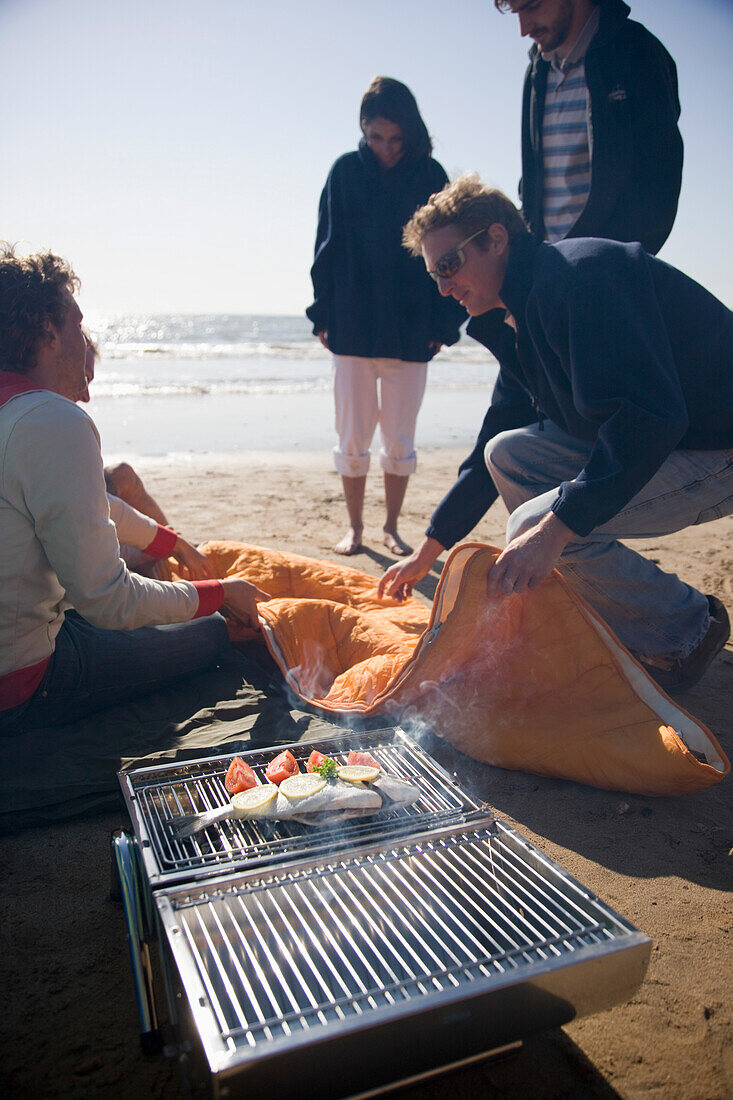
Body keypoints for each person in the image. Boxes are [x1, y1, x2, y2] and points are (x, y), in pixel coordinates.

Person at [379, 175, 733, 692]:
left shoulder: (581, 279)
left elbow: (650, 414)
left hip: (717, 444)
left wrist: (555, 530)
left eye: (449, 265)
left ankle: (689, 629)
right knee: (508, 453)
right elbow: (493, 439)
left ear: (495, 239)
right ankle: (623, 615)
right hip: (668, 436)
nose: (443, 287)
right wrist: (430, 548)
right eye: (434, 273)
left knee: (536, 522)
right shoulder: (520, 311)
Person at [0, 247, 270, 729]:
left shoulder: (15, 412)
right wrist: (218, 594)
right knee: (209, 633)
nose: (85, 341)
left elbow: (93, 503)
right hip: (24, 684)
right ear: (47, 329)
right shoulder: (52, 420)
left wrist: (174, 543)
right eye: (78, 324)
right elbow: (108, 600)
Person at [306, 76, 464, 556]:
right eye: (377, 137)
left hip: (412, 327)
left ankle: (391, 527)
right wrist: (321, 315)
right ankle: (354, 528)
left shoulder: (430, 175)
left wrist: (444, 325)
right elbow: (326, 246)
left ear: (411, 132)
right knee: (352, 435)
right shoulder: (344, 172)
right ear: (363, 129)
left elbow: (449, 252)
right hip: (351, 324)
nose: (387, 148)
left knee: (400, 437)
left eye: (396, 138)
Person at [494, 0, 683, 254]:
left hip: (610, 273)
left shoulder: (635, 50)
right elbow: (534, 181)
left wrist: (608, 263)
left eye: (532, 6)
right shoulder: (537, 70)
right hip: (547, 272)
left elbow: (659, 178)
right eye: (516, 13)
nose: (523, 28)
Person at [78, 331, 212, 580]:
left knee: (123, 476)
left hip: (88, 507)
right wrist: (147, 551)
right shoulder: (52, 423)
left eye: (90, 381)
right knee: (152, 561)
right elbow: (83, 515)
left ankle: (178, 550)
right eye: (83, 378)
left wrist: (164, 543)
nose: (86, 396)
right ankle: (175, 556)